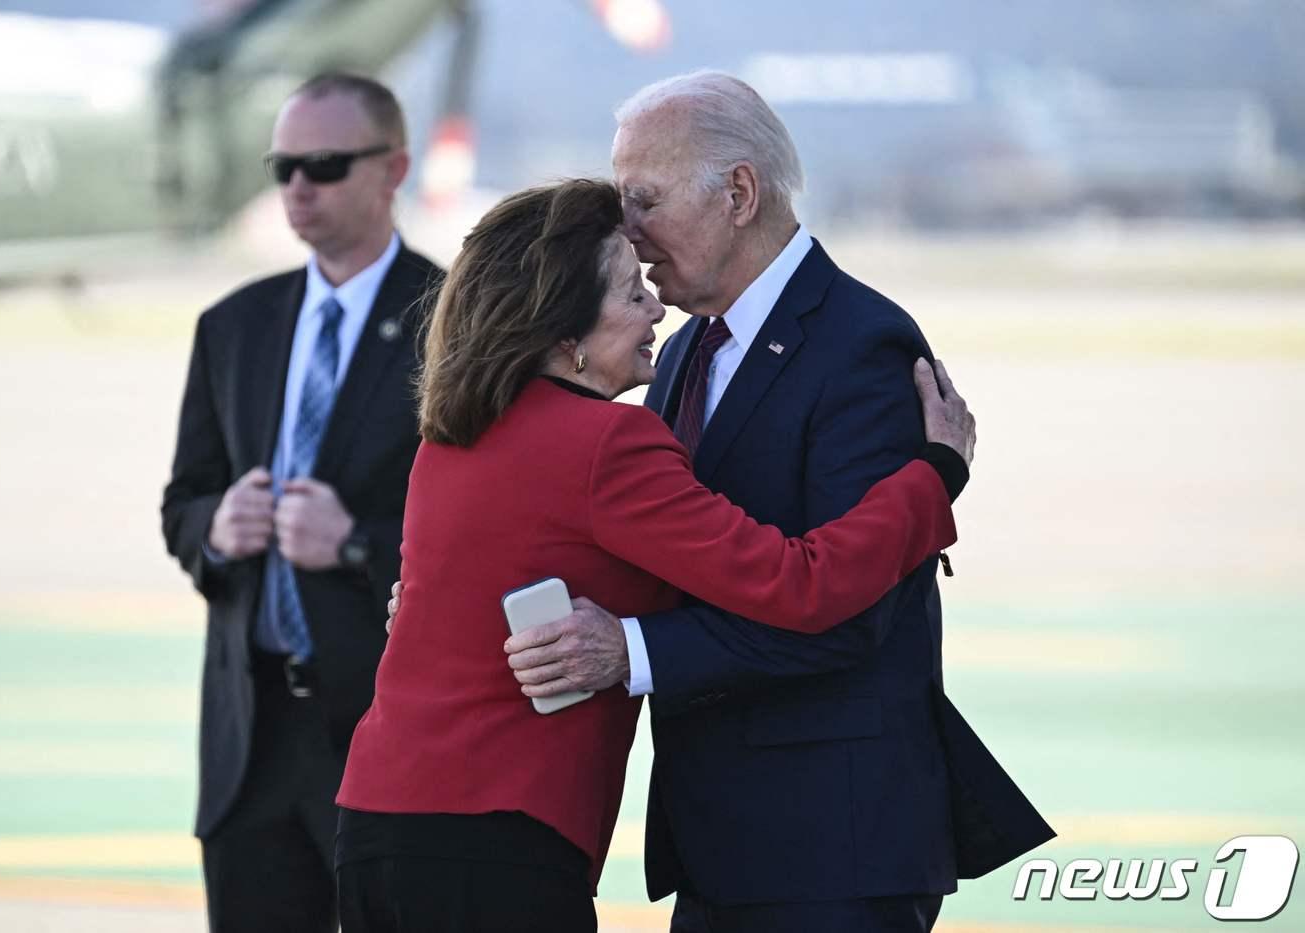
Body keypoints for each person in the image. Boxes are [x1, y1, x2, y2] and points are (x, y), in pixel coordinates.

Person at [334, 178, 977, 933]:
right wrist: (936, 477)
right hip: (498, 840)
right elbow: (800, 583)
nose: (657, 310)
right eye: (629, 291)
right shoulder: (609, 443)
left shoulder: (450, 440)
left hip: (375, 828)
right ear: (564, 329)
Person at [504, 72, 1054, 932]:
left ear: (739, 193)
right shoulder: (683, 350)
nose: (628, 231)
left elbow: (850, 609)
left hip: (831, 844)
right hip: (727, 840)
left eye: (643, 199)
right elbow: (673, 554)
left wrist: (632, 652)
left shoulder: (861, 343)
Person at [159, 72, 441, 933]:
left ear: (393, 168)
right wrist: (217, 526)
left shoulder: (457, 323)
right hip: (251, 740)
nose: (297, 188)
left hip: (382, 731)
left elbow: (492, 532)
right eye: (283, 166)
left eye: (321, 163)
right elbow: (183, 502)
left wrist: (356, 543)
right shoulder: (233, 324)